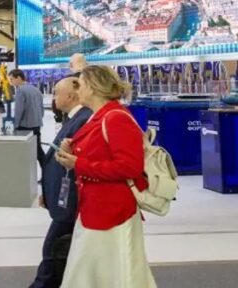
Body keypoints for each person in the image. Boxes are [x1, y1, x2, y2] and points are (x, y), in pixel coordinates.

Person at [55, 66, 155, 287]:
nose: (77, 90)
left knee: (114, 273)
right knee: (93, 271)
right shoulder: (99, 117)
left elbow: (130, 167)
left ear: (92, 87)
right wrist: (72, 150)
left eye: (80, 85)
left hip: (112, 211)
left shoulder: (116, 118)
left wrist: (79, 163)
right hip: (95, 207)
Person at [30, 77, 93, 288]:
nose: (54, 98)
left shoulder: (83, 120)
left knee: (53, 250)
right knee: (59, 250)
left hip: (71, 202)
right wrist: (47, 193)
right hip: (63, 198)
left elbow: (74, 167)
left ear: (70, 95)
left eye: (56, 93)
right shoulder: (72, 119)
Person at [10, 69, 45, 170]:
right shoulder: (36, 89)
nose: (11, 82)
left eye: (12, 79)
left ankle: (23, 173)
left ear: (18, 78)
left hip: (25, 126)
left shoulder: (20, 90)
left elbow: (19, 110)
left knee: (24, 151)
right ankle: (47, 171)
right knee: (38, 149)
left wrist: (15, 125)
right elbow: (41, 108)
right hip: (36, 124)